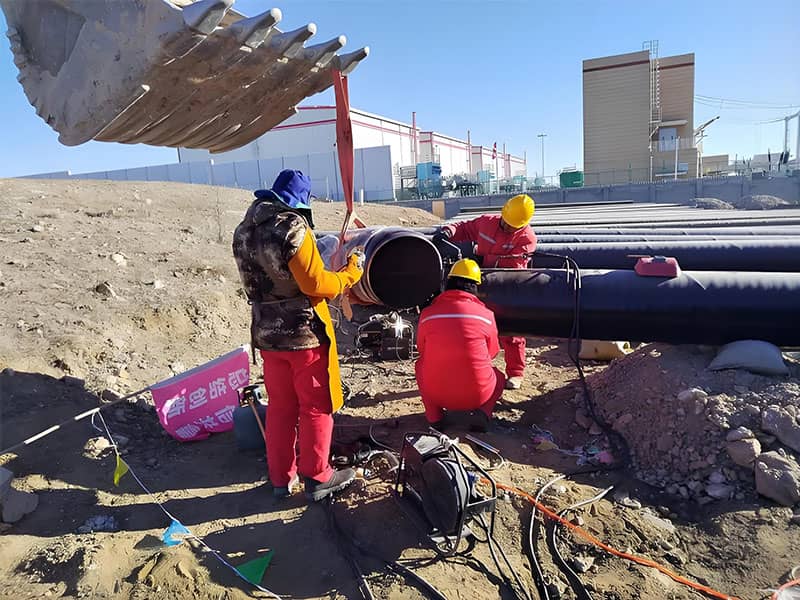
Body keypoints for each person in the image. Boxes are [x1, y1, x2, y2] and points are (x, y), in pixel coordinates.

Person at [232, 169, 365, 502]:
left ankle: (281, 478)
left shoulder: (244, 230)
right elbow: (315, 284)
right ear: (301, 200)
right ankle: (318, 476)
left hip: (267, 336)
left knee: (280, 408)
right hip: (303, 336)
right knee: (315, 407)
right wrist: (350, 274)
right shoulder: (292, 227)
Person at [433, 194, 536, 390]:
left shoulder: (526, 238)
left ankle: (515, 373)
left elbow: (515, 265)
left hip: (507, 286)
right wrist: (448, 231)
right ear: (503, 214)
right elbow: (465, 228)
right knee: (472, 326)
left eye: (513, 226)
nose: (508, 228)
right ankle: (474, 367)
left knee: (511, 331)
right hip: (479, 283)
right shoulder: (487, 223)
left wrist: (484, 259)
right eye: (506, 223)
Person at [415, 258, 504, 432]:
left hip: (437, 394)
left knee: (420, 366)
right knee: (498, 377)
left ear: (448, 283)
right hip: (478, 395)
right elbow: (492, 353)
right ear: (475, 287)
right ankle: (483, 413)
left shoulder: (427, 314)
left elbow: (422, 350)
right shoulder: (486, 315)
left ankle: (434, 417)